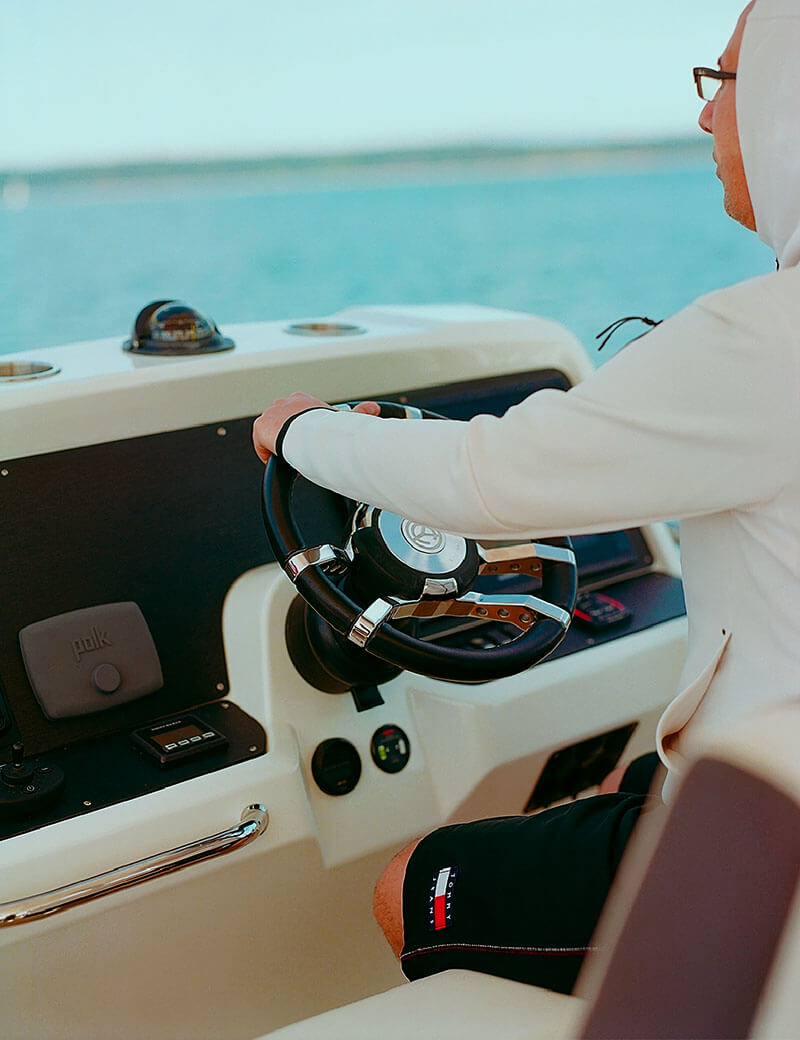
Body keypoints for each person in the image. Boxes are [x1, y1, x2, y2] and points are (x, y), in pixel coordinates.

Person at [253, 0, 800, 993]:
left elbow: (488, 478)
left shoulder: (768, 335)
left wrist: (301, 431)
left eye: (724, 83)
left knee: (412, 882)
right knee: (616, 781)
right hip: (769, 756)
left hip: (776, 838)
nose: (703, 114)